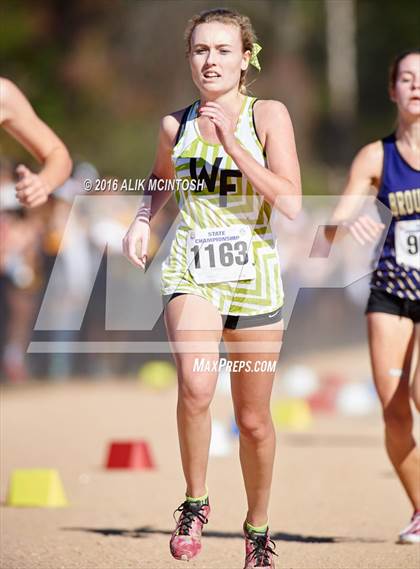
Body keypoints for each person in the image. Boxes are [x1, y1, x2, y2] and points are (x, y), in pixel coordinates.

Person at [123, 8, 301, 567]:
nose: (211, 61)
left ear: (246, 58)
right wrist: (142, 219)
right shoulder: (173, 125)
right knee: (197, 387)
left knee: (253, 421)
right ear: (189, 58)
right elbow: (159, 180)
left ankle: (257, 529)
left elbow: (291, 202)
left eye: (223, 50)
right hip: (192, 269)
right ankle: (195, 502)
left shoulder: (267, 115)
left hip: (254, 277)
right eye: (201, 50)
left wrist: (233, 144)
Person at [327, 50, 420, 544]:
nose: (416, 87)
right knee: (394, 411)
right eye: (406, 78)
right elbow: (328, 226)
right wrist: (350, 221)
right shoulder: (375, 156)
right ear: (392, 90)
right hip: (391, 290)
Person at [0, 78, 72, 380]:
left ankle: (15, 358)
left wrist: (42, 184)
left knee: (21, 303)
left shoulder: (3, 94)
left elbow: (57, 154)